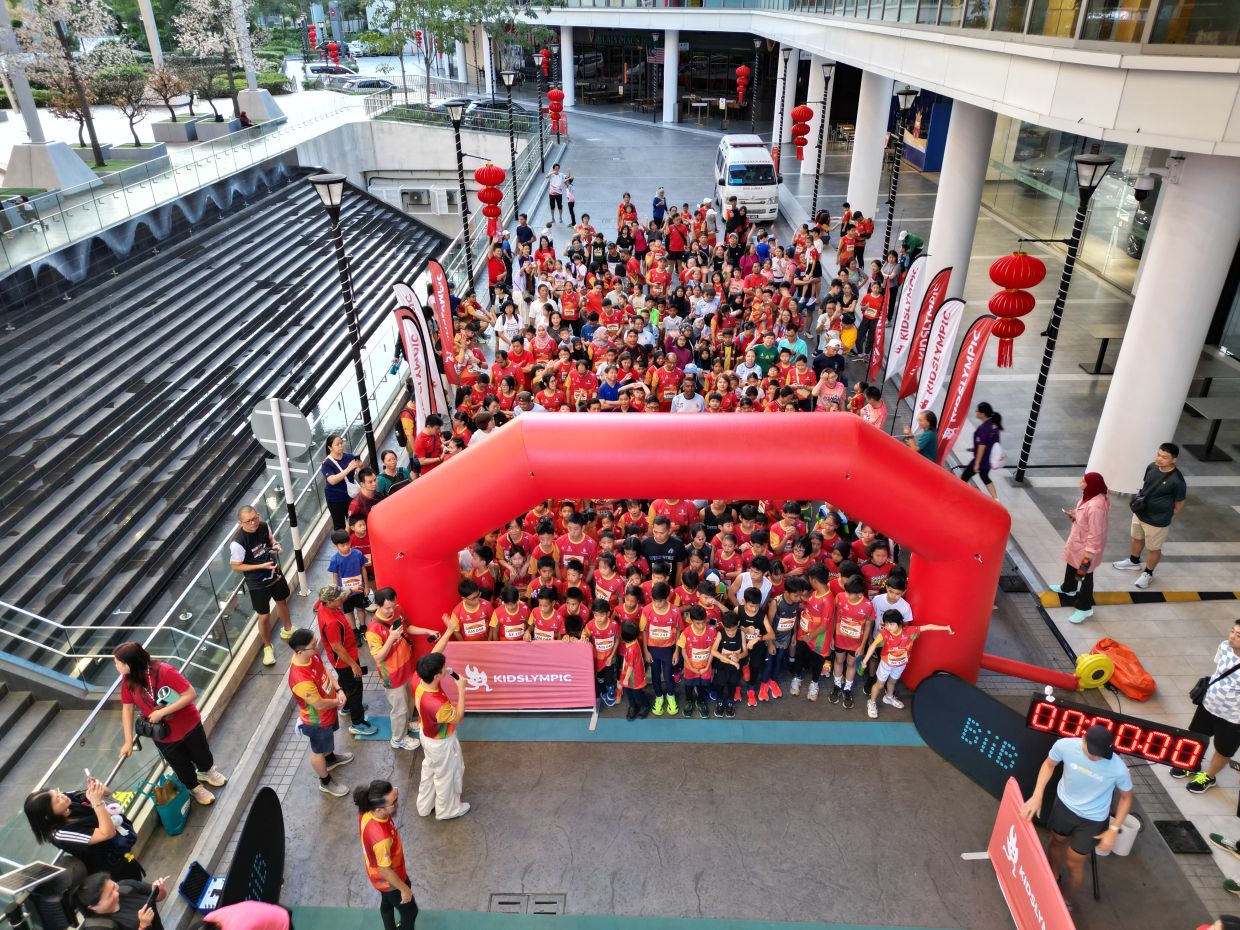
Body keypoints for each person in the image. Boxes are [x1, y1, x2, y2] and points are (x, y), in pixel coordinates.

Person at [1020, 725, 1133, 903]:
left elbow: (1126, 798)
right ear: (1083, 739)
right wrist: (1037, 795)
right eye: (1092, 752)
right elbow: (1049, 764)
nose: (1096, 757)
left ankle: (1066, 900)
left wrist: (1114, 829)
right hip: (1064, 806)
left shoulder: (1118, 768)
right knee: (1056, 842)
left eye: (1101, 754)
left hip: (1093, 819)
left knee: (1074, 862)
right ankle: (1053, 878)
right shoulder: (1065, 746)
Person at [114, 642, 226, 806]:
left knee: (201, 753)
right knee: (180, 764)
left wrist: (162, 712)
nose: (115, 666)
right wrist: (128, 741)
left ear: (129, 663)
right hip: (164, 734)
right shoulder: (127, 681)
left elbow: (190, 694)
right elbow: (127, 708)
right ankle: (194, 787)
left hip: (188, 723)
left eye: (117, 663)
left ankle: (206, 771)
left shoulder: (164, 671)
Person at [367, 588, 443, 752]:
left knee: (409, 701)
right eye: (387, 608)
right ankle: (398, 738)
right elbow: (378, 657)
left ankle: (406, 724)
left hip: (407, 667)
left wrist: (426, 631)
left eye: (392, 606)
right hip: (392, 676)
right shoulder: (373, 630)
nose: (391, 610)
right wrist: (392, 638)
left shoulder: (398, 610)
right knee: (399, 708)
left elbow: (407, 628)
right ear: (377, 606)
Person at [25, 776, 144, 881]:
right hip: (110, 871)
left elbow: (103, 794)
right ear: (48, 815)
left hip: (121, 853)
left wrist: (98, 789)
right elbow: (107, 833)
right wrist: (97, 802)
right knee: (131, 891)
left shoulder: (67, 799)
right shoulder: (60, 833)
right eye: (57, 799)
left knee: (136, 879)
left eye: (58, 792)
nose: (62, 796)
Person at [1172, 619, 1240, 794]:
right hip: (1208, 704)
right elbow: (1218, 671)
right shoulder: (1224, 646)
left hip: (1233, 717)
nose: (1232, 637)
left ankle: (1209, 777)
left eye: (1238, 635)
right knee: (1196, 736)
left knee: (1223, 750)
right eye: (1232, 631)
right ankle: (1191, 764)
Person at [286, 628, 354, 798]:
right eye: (313, 645)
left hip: (329, 710)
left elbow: (325, 671)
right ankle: (325, 781)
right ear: (300, 651)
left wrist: (338, 690)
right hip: (317, 720)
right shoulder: (300, 678)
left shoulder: (311, 655)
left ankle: (330, 759)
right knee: (318, 751)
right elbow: (319, 704)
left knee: (327, 745)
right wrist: (338, 701)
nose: (317, 647)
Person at [1113, 441, 1187, 590]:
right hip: (1140, 513)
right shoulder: (1151, 467)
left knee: (1154, 548)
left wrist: (1167, 513)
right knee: (1137, 538)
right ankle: (1134, 562)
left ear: (1174, 460)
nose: (1159, 459)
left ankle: (1148, 573)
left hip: (1157, 520)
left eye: (1164, 457)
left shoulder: (1177, 480)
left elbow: (1179, 503)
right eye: (1158, 455)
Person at [229, 506, 293, 667]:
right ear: (240, 523)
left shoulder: (263, 525)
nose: (253, 523)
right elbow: (236, 566)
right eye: (248, 521)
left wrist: (276, 545)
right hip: (257, 582)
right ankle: (267, 646)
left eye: (255, 518)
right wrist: (260, 567)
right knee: (263, 616)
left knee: (282, 601)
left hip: (274, 572)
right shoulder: (238, 542)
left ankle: (288, 629)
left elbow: (271, 539)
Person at [861, 611, 953, 718]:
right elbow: (873, 645)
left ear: (899, 623)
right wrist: (864, 661)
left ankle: (889, 698)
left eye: (891, 624)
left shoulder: (910, 631)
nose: (888, 627)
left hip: (901, 664)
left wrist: (946, 628)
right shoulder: (884, 634)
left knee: (892, 682)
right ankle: (871, 702)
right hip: (886, 664)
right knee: (880, 684)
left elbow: (929, 627)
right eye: (886, 624)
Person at [413, 651, 471, 820]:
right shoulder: (439, 705)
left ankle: (424, 805)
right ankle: (447, 810)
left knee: (430, 770)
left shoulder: (419, 681)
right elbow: (458, 718)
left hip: (426, 736)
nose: (447, 669)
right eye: (443, 668)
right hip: (441, 743)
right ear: (437, 675)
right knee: (447, 775)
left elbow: (433, 655)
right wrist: (462, 691)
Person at [354, 780, 417, 930]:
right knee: (410, 912)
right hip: (389, 880)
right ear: (379, 810)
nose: (397, 803)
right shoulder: (381, 839)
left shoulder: (366, 812)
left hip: (376, 876)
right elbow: (385, 870)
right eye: (393, 802)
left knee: (387, 903)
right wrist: (403, 889)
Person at [315, 584, 377, 736]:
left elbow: (340, 595)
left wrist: (352, 591)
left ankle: (347, 706)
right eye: (339, 598)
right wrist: (354, 665)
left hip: (343, 657)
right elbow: (337, 647)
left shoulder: (323, 603)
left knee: (345, 682)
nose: (342, 598)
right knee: (355, 688)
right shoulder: (331, 623)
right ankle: (357, 722)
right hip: (343, 660)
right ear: (330, 602)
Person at [1050, 472, 1109, 624]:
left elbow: (1096, 533)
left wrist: (1089, 554)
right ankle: (1068, 588)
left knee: (1085, 575)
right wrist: (1075, 514)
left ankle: (1085, 608)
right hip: (1078, 543)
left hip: (1087, 549)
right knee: (1071, 564)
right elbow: (1084, 516)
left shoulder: (1097, 507)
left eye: (1084, 481)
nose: (1081, 482)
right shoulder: (1089, 496)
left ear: (1091, 485)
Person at [76, 872, 170, 930]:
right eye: (109, 895)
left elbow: (158, 898)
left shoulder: (126, 886)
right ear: (93, 907)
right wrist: (143, 926)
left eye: (113, 886)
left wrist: (160, 891)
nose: (116, 893)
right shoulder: (100, 926)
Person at [960, 402, 1002, 499]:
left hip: (981, 460)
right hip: (989, 460)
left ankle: (963, 495)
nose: (975, 412)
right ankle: (996, 499)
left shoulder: (983, 428)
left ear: (982, 414)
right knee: (985, 477)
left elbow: (982, 446)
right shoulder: (993, 425)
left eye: (977, 410)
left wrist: (977, 463)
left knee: (964, 477)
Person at [321, 435, 362, 530]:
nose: (340, 446)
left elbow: (360, 472)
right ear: (330, 447)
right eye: (337, 444)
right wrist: (349, 468)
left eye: (341, 443)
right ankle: (342, 543)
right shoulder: (327, 463)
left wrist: (360, 466)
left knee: (354, 521)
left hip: (351, 495)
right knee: (339, 525)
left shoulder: (349, 457)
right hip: (335, 498)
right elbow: (332, 480)